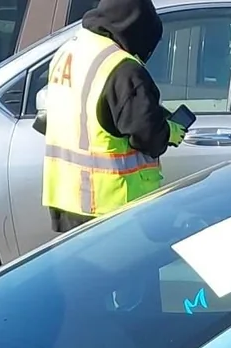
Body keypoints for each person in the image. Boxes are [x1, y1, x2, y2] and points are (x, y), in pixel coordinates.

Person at [41, 0, 189, 234]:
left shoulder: (69, 51)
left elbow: (96, 109)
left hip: (67, 197)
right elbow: (147, 134)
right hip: (110, 205)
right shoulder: (123, 68)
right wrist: (168, 131)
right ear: (136, 30)